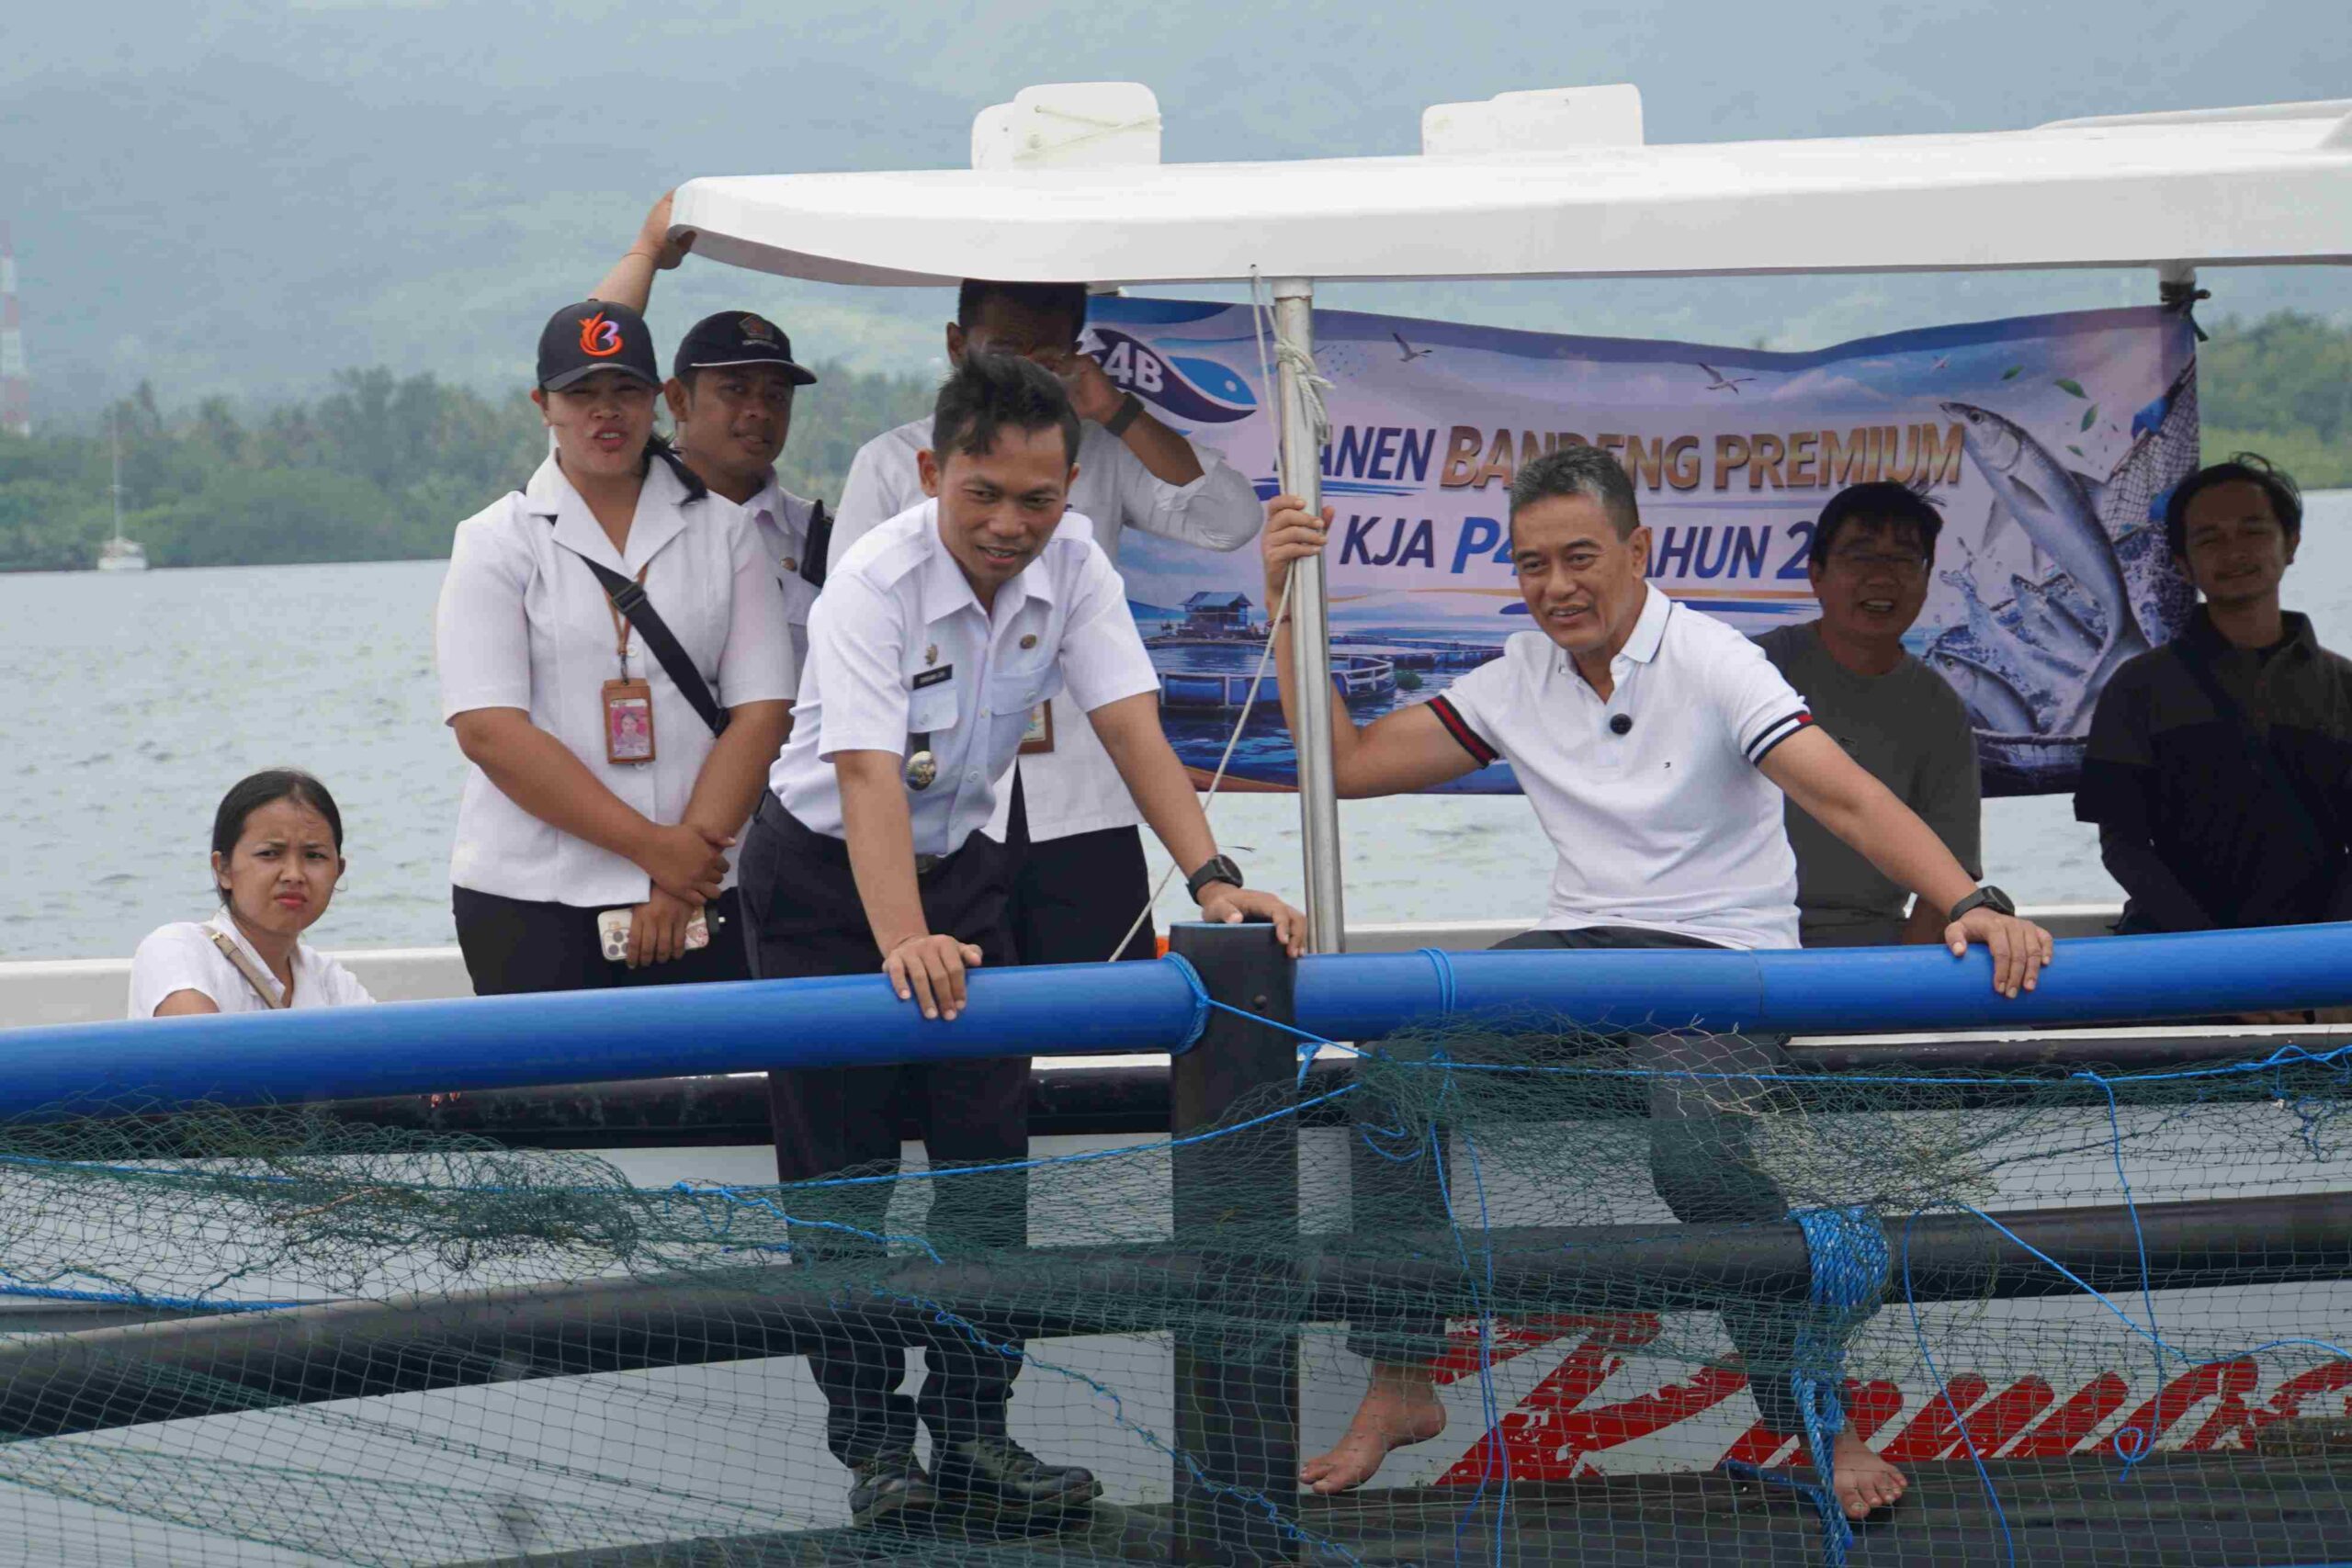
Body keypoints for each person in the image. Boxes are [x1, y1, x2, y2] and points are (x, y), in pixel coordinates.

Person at [1260, 446, 2053, 1519]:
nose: (1556, 587)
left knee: (1698, 1150)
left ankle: (1813, 1410)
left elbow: (1849, 800)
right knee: (1395, 1079)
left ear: (1638, 550)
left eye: (1580, 557)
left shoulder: (1717, 661)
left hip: (1722, 962)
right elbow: (1343, 766)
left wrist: (1970, 900)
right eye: (1532, 564)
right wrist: (1282, 605)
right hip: (1583, 952)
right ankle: (1403, 1376)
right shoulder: (1516, 677)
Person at [741, 353, 1304, 1530]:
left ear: (1067, 490)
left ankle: (977, 1431)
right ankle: (874, 1447)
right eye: (983, 495)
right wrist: (902, 937)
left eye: (1037, 500)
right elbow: (862, 772)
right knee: (840, 1185)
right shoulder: (871, 582)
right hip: (822, 885)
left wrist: (1213, 879)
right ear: (934, 473)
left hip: (967, 870)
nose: (1010, 525)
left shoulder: (1075, 566)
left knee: (989, 1173)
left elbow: (1130, 722)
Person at [828, 276, 1264, 1004]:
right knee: (950, 1023)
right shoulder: (889, 463)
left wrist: (1117, 411)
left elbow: (1231, 521)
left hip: (1083, 792)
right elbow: (855, 718)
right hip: (932, 809)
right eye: (1007, 350)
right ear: (956, 346)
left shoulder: (1099, 455)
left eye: (1049, 353)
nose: (1012, 522)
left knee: (1104, 1023)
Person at [435, 299, 794, 995]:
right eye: (582, 394)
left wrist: (682, 872)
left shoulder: (724, 531)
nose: (607, 413)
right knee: (551, 1103)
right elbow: (488, 730)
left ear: (659, 399)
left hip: (705, 887)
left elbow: (763, 710)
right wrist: (653, 850)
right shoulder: (495, 540)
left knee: (722, 1101)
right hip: (530, 895)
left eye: (626, 391)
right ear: (544, 405)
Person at [2076, 455, 2352, 960]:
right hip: (2180, 961)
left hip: (2323, 964)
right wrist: (2219, 962)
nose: (2234, 551)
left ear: (2290, 543)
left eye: (2253, 530)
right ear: (2182, 563)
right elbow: (2124, 847)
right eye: (2209, 538)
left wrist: (2318, 962)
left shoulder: (2343, 686)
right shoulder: (2137, 687)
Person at [594, 193, 824, 668]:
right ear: (678, 399)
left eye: (776, 395)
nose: (759, 410)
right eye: (736, 390)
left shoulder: (822, 539)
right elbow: (590, 360)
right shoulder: (623, 509)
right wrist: (646, 252)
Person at [1757, 482, 1983, 946]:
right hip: (1743, 938)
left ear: (1926, 579)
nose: (1882, 577)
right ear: (1816, 574)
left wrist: (1902, 998)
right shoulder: (1754, 669)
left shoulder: (1940, 711)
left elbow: (1949, 887)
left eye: (1903, 560)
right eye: (1860, 557)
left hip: (1868, 951)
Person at [130, 770, 374, 1016]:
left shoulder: (331, 983)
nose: (294, 874)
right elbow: (200, 1050)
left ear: (338, 871)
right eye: (270, 853)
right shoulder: (178, 950)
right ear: (223, 869)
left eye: (314, 856)